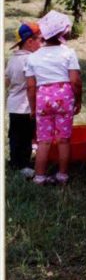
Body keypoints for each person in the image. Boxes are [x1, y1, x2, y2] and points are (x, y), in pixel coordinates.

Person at [25, 11, 82, 186]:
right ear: (63, 32)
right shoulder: (69, 53)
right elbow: (75, 81)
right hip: (65, 98)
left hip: (43, 99)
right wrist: (78, 100)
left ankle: (39, 176)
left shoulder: (33, 57)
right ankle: (62, 175)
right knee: (64, 140)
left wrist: (33, 108)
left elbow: (31, 86)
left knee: (44, 140)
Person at [5, 22, 42, 177]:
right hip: (26, 106)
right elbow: (32, 85)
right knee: (26, 137)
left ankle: (14, 161)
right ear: (29, 42)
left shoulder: (13, 59)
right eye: (40, 39)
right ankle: (24, 166)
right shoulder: (31, 60)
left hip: (13, 105)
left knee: (15, 135)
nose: (42, 43)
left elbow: (6, 80)